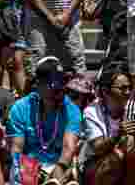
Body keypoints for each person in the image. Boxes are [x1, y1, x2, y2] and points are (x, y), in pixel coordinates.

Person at [7, 54, 83, 184]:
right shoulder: (20, 108)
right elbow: (17, 150)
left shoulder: (72, 110)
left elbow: (68, 148)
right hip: (27, 165)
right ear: (38, 85)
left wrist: (59, 170)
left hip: (58, 164)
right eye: (53, 83)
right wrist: (27, 175)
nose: (59, 88)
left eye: (62, 82)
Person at [79, 63, 135, 185]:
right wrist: (118, 134)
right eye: (122, 88)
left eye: (129, 87)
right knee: (116, 157)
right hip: (96, 165)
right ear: (105, 91)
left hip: (127, 165)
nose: (128, 92)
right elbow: (98, 149)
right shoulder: (91, 111)